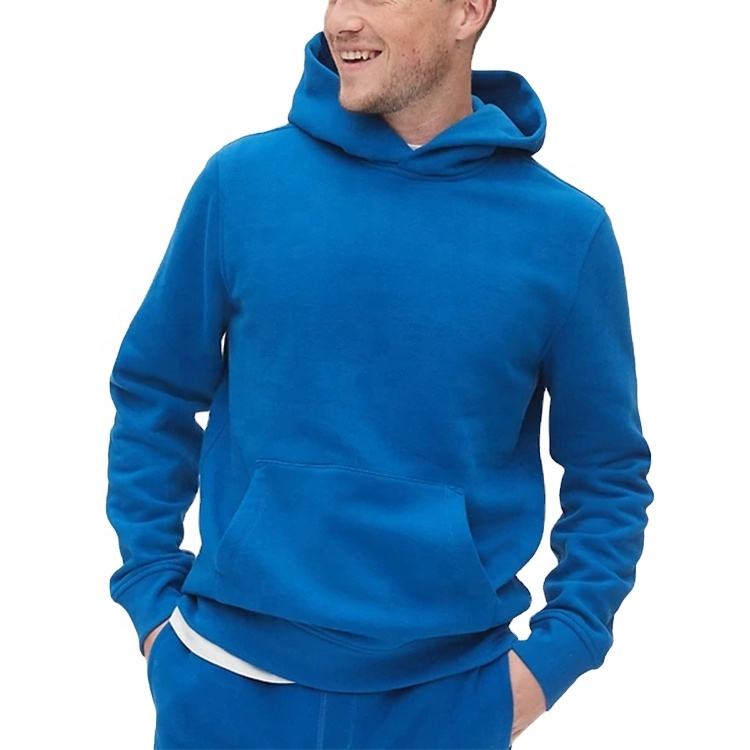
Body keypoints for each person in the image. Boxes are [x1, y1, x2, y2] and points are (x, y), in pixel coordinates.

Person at [106, 1, 654, 748]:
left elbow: (608, 470)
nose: (343, 20)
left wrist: (557, 656)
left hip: (449, 702)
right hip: (224, 687)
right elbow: (155, 393)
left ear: (468, 11)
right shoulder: (243, 184)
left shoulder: (564, 232)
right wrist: (151, 602)